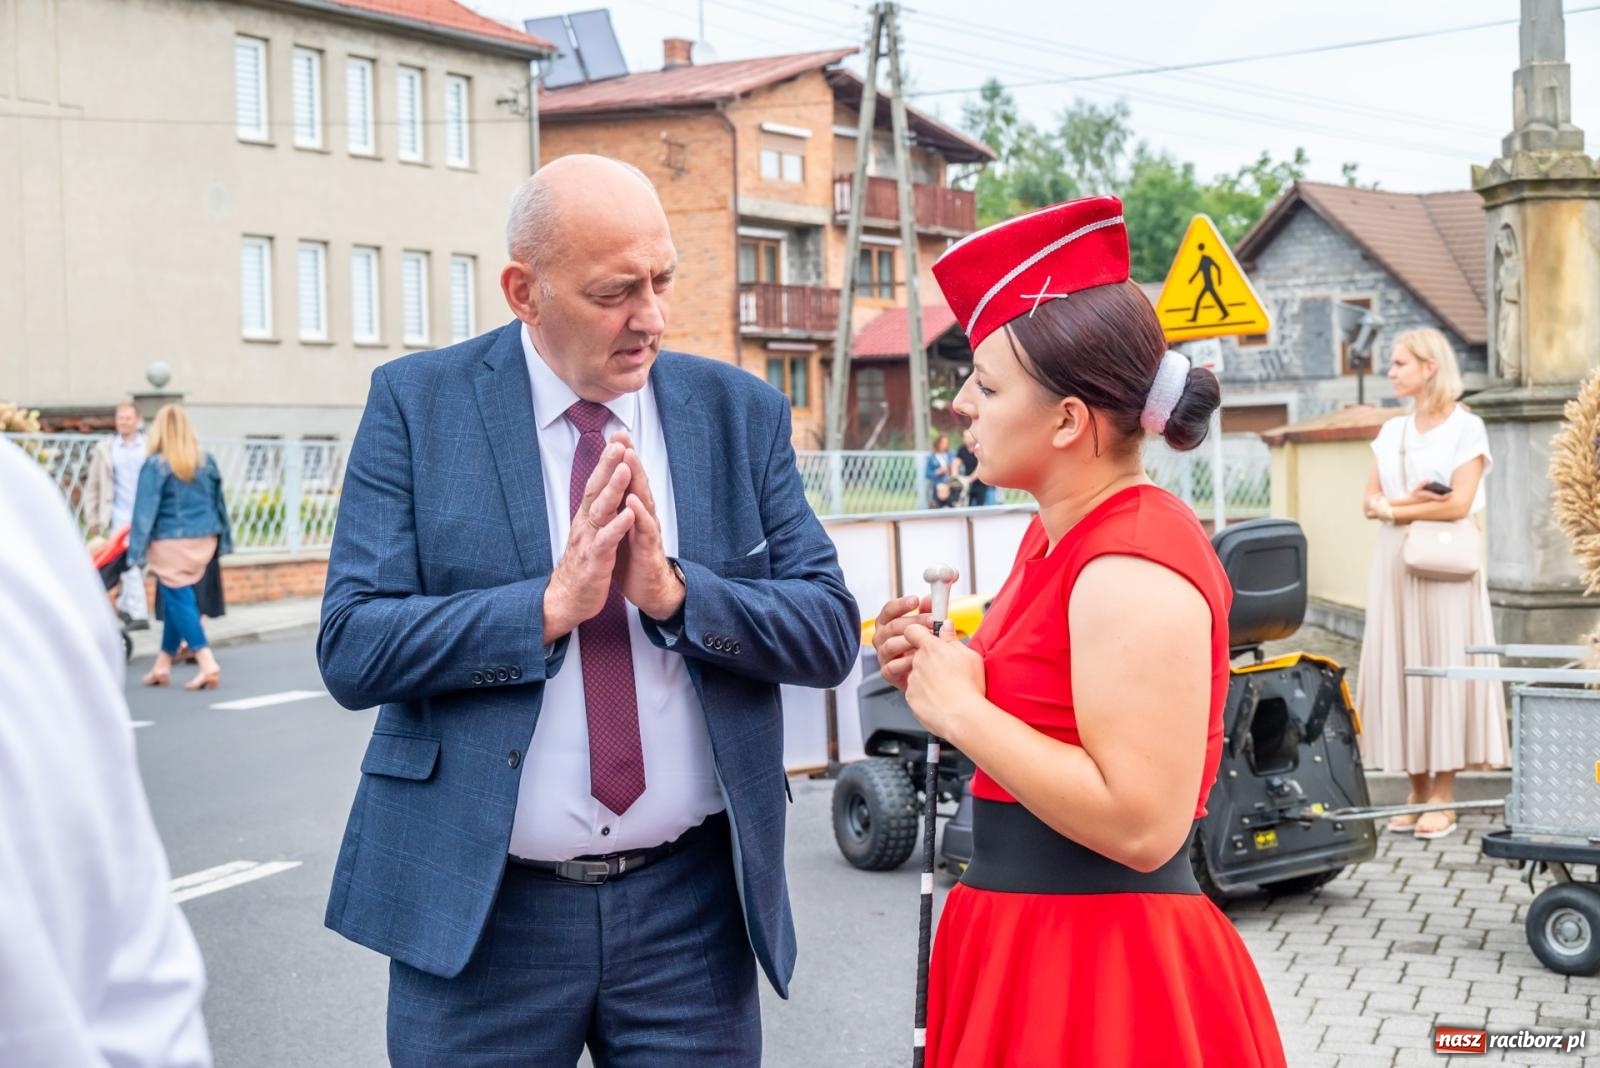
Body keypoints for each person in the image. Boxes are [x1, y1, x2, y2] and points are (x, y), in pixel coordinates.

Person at [317, 154, 859, 1066]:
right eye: (616, 292)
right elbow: (352, 643)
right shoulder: (418, 407)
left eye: (662, 279)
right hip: (484, 917)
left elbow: (828, 629)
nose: (649, 316)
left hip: (690, 913)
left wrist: (677, 595)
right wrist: (544, 609)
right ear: (524, 291)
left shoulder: (738, 413)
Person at [872, 196, 1285, 1067]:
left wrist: (961, 711)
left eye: (985, 385)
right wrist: (936, 666)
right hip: (1027, 941)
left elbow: (1142, 827)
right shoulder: (1054, 532)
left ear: (1066, 420)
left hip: (1102, 976)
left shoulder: (1130, 561)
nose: (959, 405)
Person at [0, 438, 212, 1068]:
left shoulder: (26, 500)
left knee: (174, 599)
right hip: (197, 539)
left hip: (160, 541)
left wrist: (135, 546)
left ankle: (199, 655)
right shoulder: (22, 502)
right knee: (180, 601)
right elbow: (143, 989)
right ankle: (179, 656)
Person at [1356, 328, 1508, 840]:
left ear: (1429, 367)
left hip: (1446, 564)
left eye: (1400, 363)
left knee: (1445, 667)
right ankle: (1417, 789)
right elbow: (1367, 500)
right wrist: (1413, 505)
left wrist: (1398, 507)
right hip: (1397, 560)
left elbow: (1459, 504)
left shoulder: (1468, 428)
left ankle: (1444, 793)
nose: (1391, 372)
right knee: (1403, 667)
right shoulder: (1392, 432)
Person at [128, 404, 233, 691]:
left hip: (169, 541)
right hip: (204, 540)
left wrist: (134, 554)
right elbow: (219, 504)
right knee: (176, 597)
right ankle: (162, 665)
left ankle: (206, 661)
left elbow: (143, 512)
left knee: (179, 599)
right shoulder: (205, 460)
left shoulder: (155, 465)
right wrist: (223, 540)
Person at [84, 401, 151, 630]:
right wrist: (93, 518)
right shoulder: (107, 448)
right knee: (128, 562)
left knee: (141, 565)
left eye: (128, 418)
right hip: (117, 515)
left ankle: (126, 606)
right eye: (120, 418)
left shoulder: (149, 447)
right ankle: (138, 613)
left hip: (145, 515)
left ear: (137, 420)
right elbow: (93, 485)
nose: (123, 422)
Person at [956, 427, 993, 506]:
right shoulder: (961, 449)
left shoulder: (980, 448)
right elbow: (955, 463)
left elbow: (981, 465)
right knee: (967, 505)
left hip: (981, 482)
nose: (967, 439)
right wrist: (955, 477)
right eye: (966, 437)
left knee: (980, 506)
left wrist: (969, 479)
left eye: (969, 436)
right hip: (968, 484)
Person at [926, 432, 958, 507]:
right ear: (938, 443)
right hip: (938, 484)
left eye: (946, 443)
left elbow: (958, 468)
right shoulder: (932, 457)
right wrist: (937, 472)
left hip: (950, 484)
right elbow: (927, 473)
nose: (945, 445)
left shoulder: (951, 454)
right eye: (943, 442)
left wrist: (950, 469)